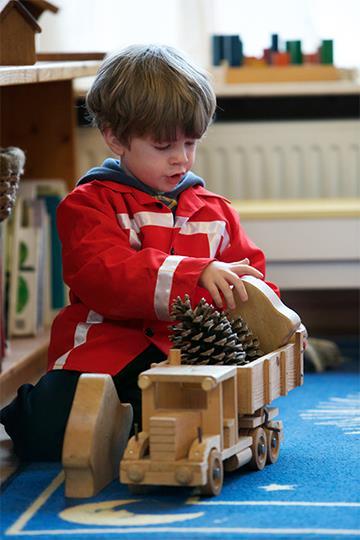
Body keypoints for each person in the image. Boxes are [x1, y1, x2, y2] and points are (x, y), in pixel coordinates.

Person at [1, 44, 279, 461]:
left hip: (188, 360)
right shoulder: (87, 204)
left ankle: (137, 432)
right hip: (105, 351)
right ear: (115, 137)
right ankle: (37, 410)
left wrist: (267, 308)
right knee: (47, 432)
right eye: (164, 145)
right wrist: (195, 274)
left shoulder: (216, 212)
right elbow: (105, 277)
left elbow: (251, 274)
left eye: (190, 143)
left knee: (196, 419)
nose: (181, 159)